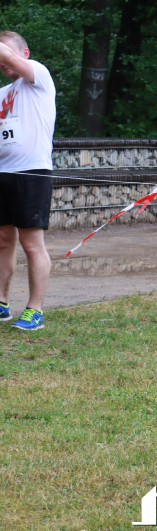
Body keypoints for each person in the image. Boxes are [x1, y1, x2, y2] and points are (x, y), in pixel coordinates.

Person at [0, 31, 56, 331]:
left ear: (25, 54)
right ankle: (1, 303)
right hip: (2, 174)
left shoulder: (39, 76)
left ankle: (35, 310)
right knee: (2, 241)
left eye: (6, 57)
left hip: (32, 172)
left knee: (32, 244)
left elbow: (8, 57)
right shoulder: (2, 93)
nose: (3, 64)